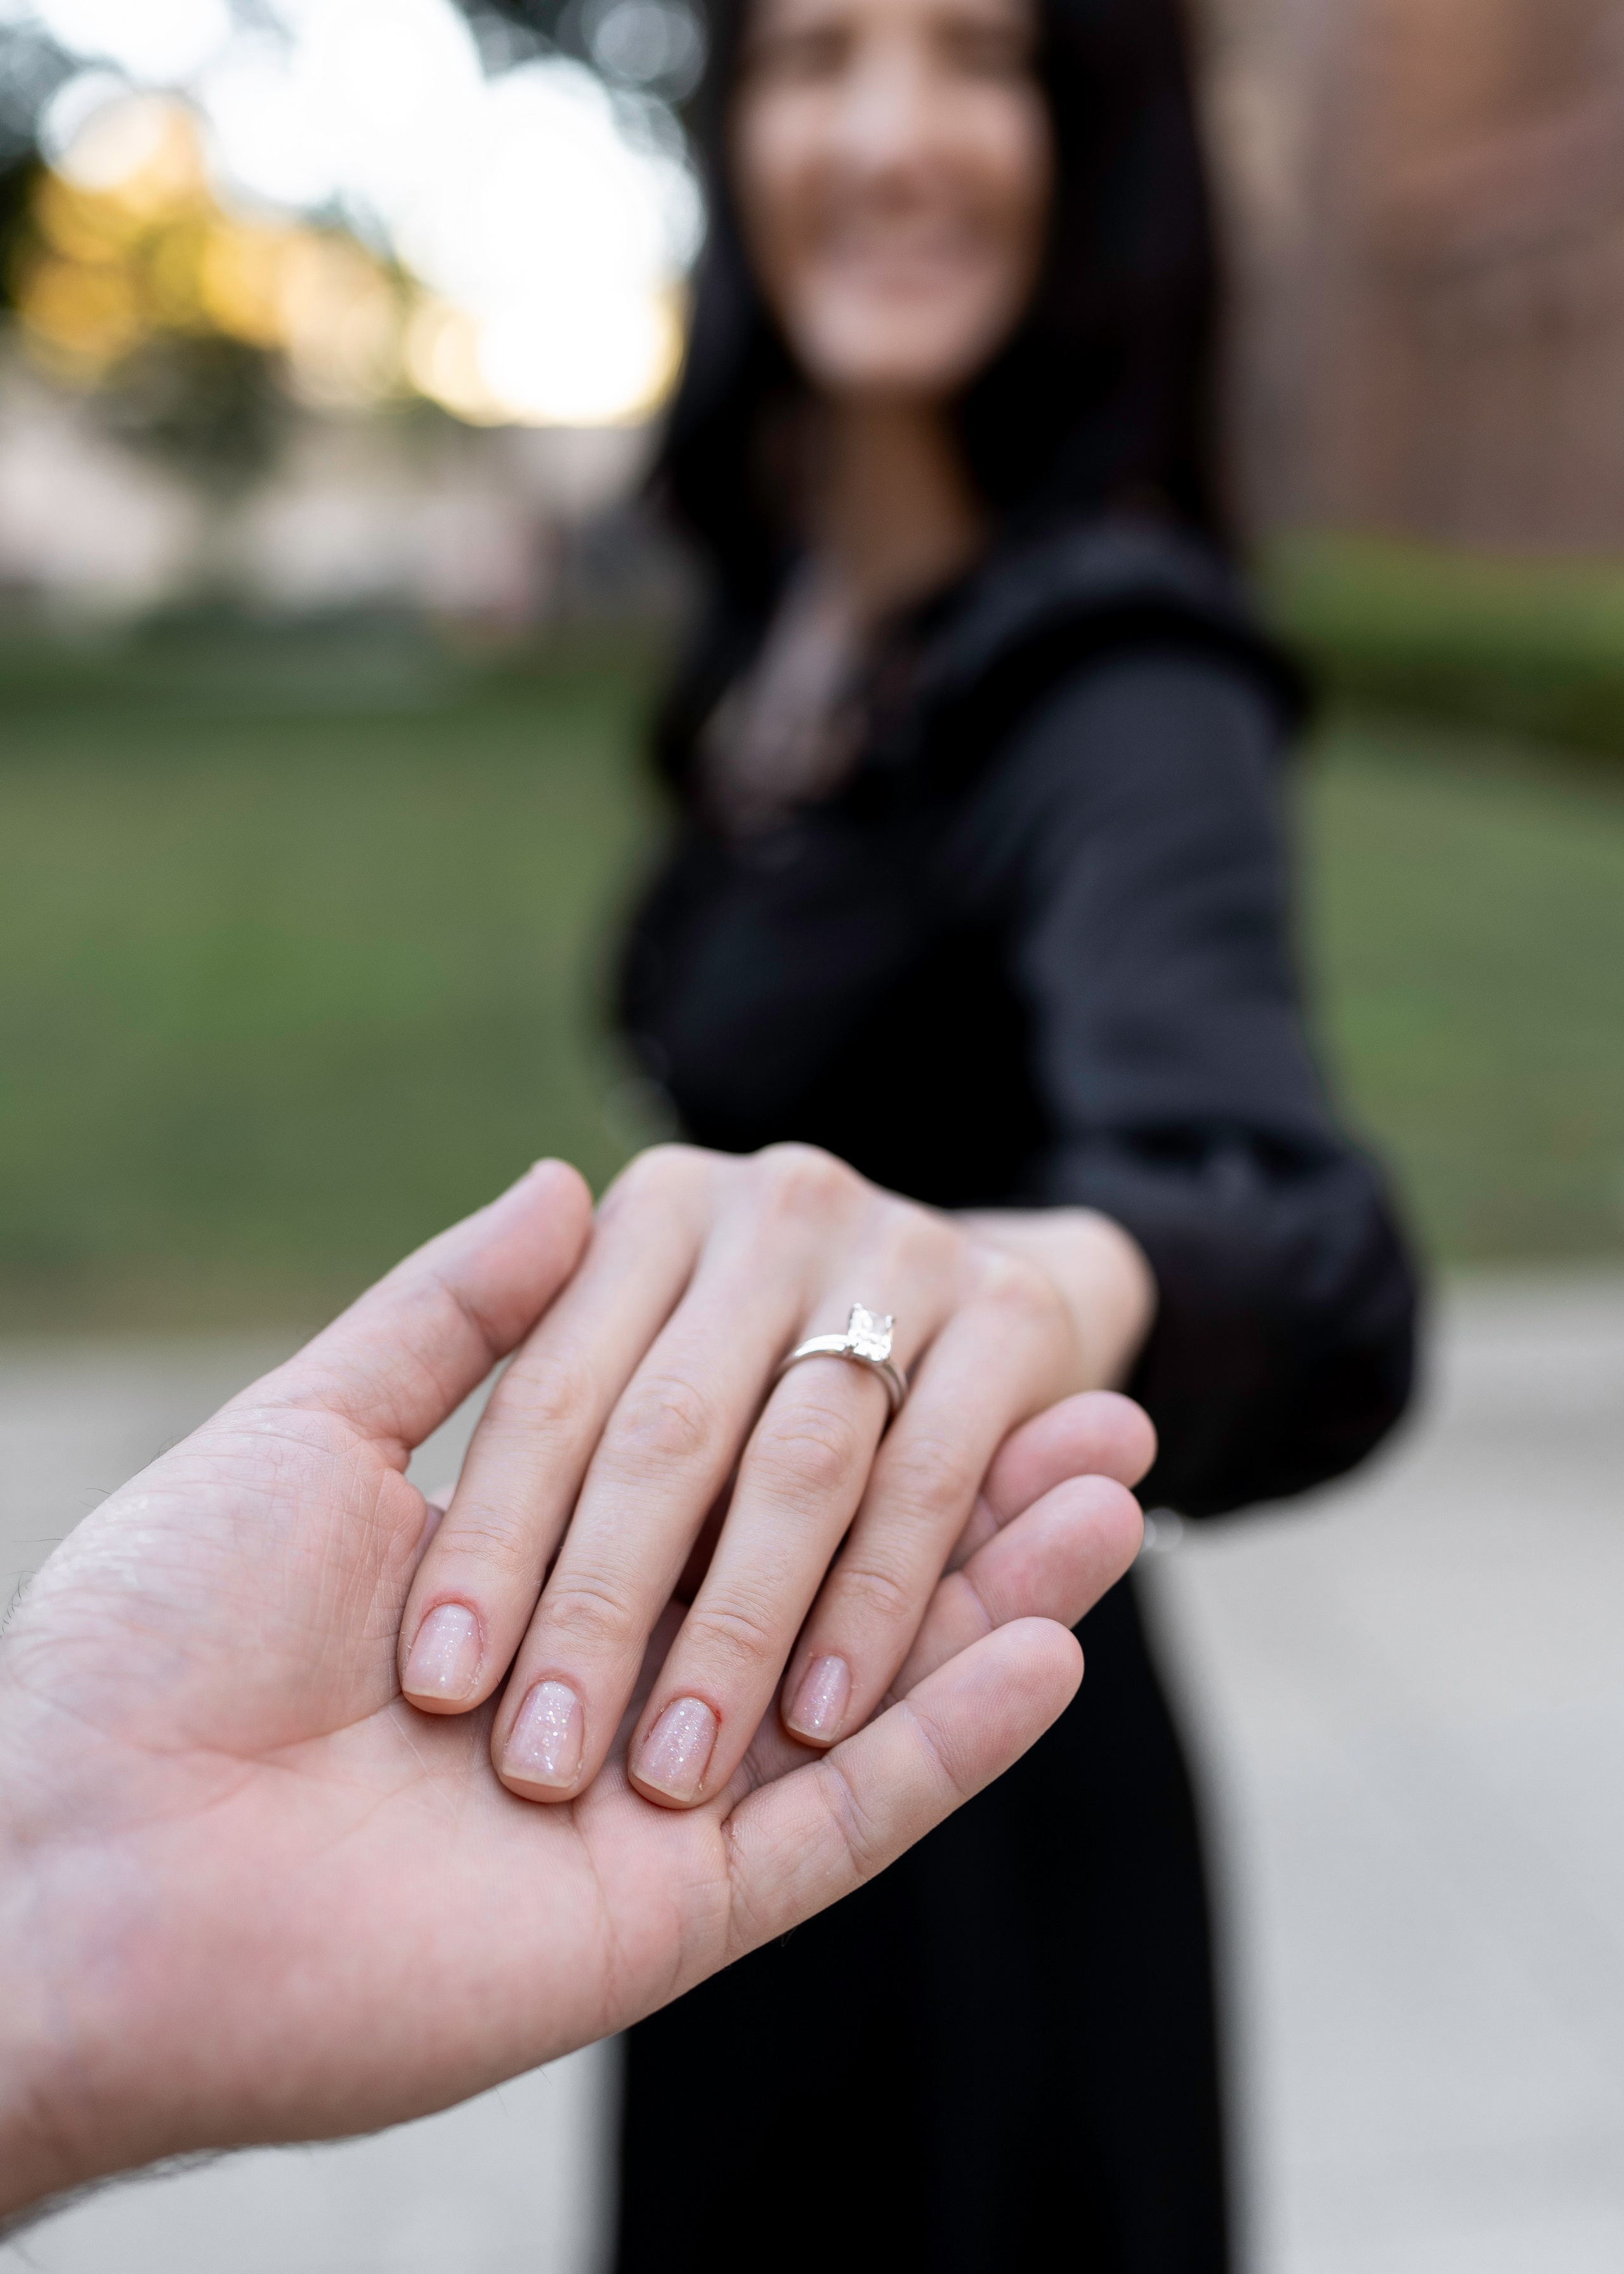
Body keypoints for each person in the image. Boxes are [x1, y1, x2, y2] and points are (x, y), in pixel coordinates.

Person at [386, 0, 1417, 2263]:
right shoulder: (779, 625)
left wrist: (1032, 1283)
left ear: (1095, 135)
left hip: (957, 1794)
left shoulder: (1117, 675)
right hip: (729, 1760)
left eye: (980, 54)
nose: (889, 134)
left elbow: (1306, 1232)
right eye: (815, 51)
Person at [0, 1161, 1149, 2233]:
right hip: (700, 1805)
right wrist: (54, 1894)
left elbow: (1259, 1170)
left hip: (922, 1670)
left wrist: (1089, 1276)